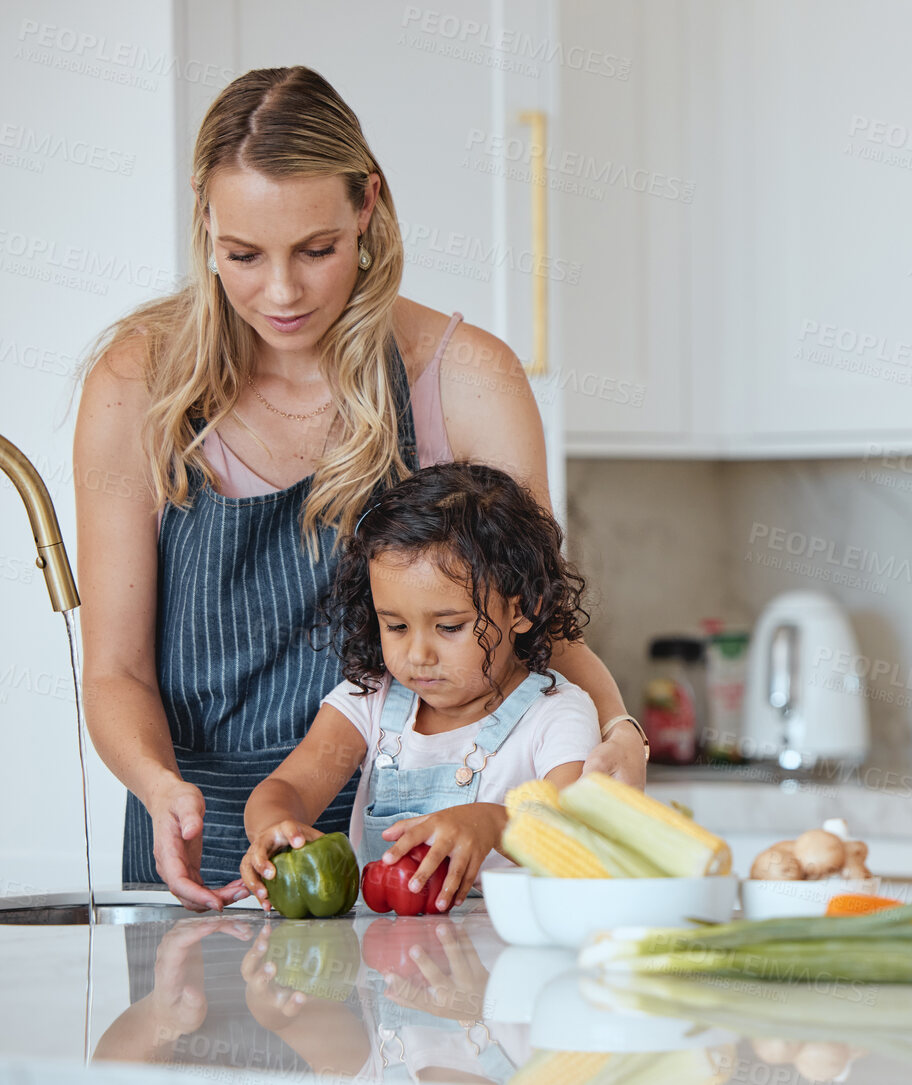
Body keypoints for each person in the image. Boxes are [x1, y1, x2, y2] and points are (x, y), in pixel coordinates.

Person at [74, 66, 647, 910]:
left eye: (316, 249)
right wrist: (159, 786)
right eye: (242, 255)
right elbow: (116, 667)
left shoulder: (465, 379)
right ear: (205, 219)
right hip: (202, 848)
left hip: (431, 860)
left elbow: (537, 621)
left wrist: (620, 732)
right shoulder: (140, 381)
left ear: (367, 206)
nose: (282, 292)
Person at [240, 463, 599, 913]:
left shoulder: (556, 714)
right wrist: (276, 826)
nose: (418, 654)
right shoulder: (371, 701)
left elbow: (580, 838)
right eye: (396, 626)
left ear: (523, 608)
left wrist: (494, 822)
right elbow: (286, 787)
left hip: (504, 964)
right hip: (381, 968)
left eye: (449, 627)